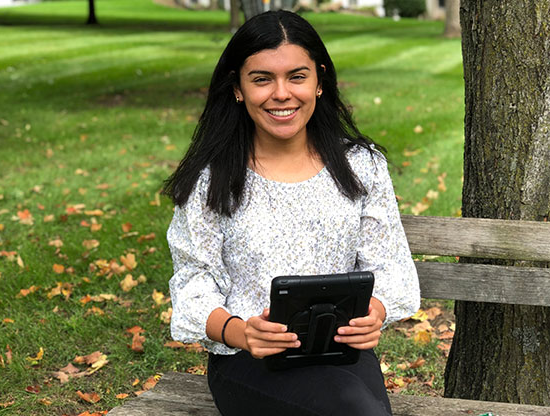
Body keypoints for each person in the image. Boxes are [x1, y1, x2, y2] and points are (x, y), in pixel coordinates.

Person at [162, 10, 420, 416]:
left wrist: (377, 311)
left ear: (319, 81)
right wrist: (240, 332)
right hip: (249, 360)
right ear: (238, 89)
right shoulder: (211, 178)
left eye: (297, 77)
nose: (281, 93)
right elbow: (193, 283)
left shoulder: (361, 165)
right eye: (262, 79)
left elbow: (391, 268)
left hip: (344, 353)